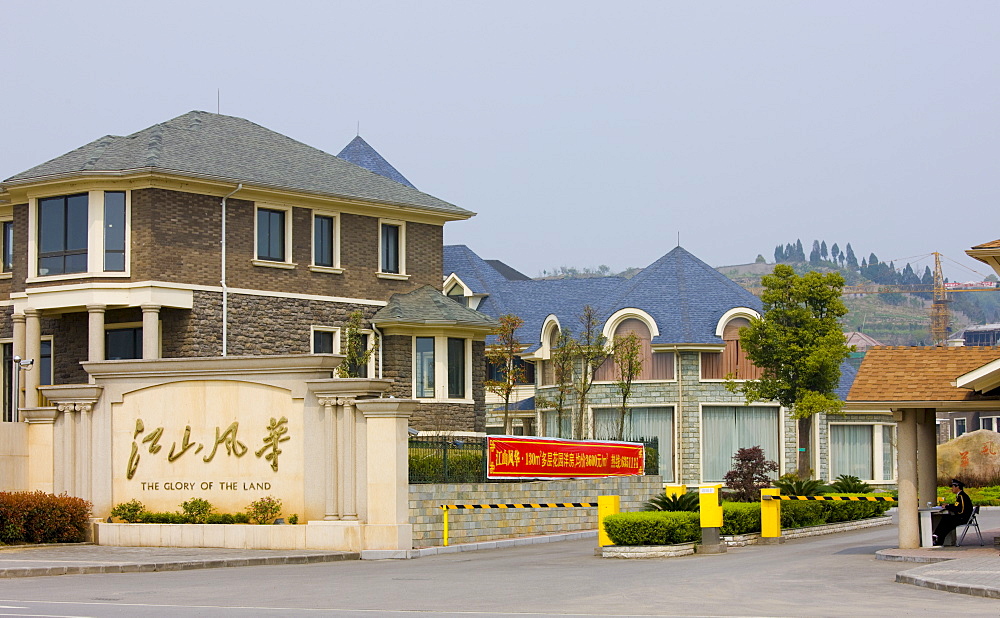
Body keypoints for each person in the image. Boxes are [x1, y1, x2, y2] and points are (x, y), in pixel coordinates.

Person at [932, 478, 973, 546]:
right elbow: (957, 505)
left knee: (946, 520)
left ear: (957, 487)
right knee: (946, 522)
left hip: (963, 518)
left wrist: (947, 507)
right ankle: (938, 538)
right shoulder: (960, 496)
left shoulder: (961, 496)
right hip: (962, 517)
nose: (952, 488)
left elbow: (960, 509)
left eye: (953, 486)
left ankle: (937, 536)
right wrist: (948, 505)